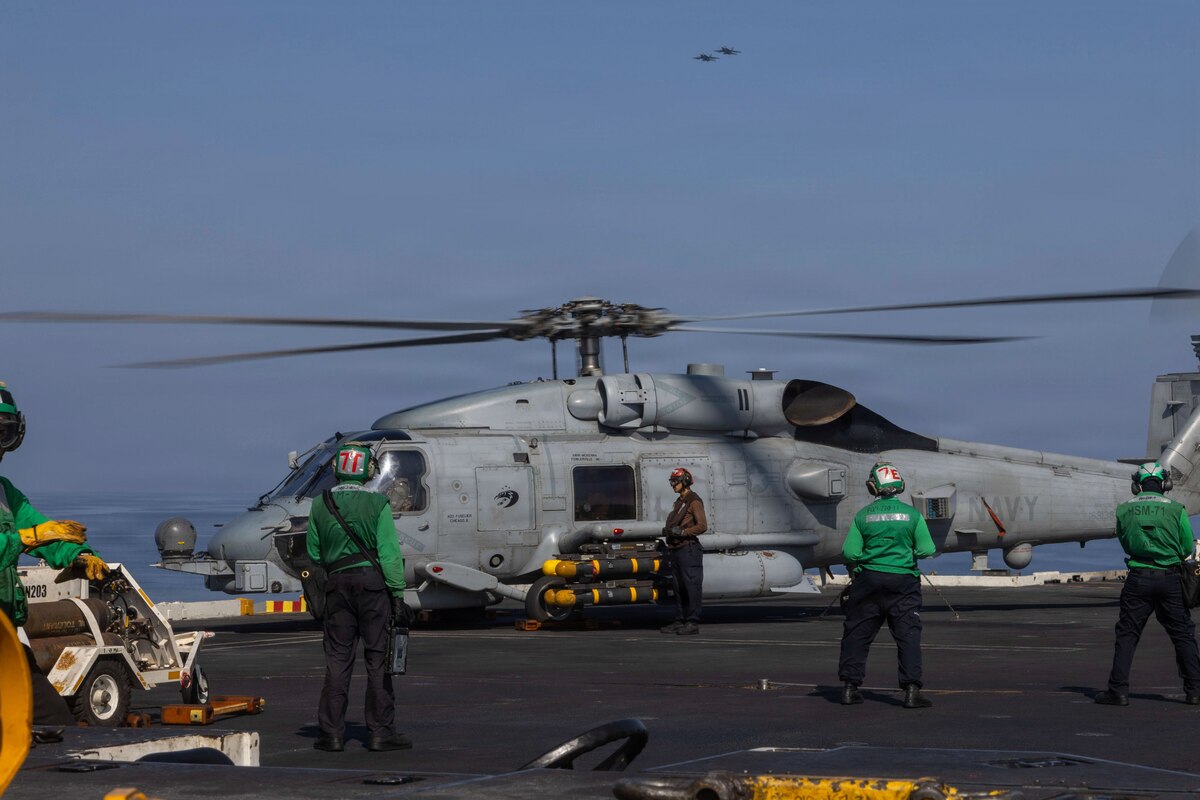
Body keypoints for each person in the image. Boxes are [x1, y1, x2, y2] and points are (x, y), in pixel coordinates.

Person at [0, 381, 109, 725]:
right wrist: (28, 538)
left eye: (3, 434)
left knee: (53, 724)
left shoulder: (5, 493)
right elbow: (31, 535)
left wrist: (80, 555)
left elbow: (48, 533)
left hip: (5, 638)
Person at [307, 441, 414, 752]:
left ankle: (332, 734)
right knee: (378, 660)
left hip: (336, 587)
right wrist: (397, 595)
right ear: (368, 470)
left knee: (338, 661)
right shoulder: (379, 504)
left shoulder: (319, 503)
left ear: (338, 469)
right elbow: (390, 556)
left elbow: (314, 553)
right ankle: (381, 732)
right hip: (372, 588)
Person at [1095, 461, 1200, 706]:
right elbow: (1186, 546)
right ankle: (1195, 691)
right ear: (1165, 484)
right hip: (1170, 578)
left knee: (1128, 634)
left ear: (1137, 485)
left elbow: (1124, 541)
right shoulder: (1176, 509)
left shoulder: (1124, 509)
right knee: (1183, 634)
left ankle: (1118, 691)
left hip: (1138, 578)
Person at [838, 462, 936, 708]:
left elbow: (849, 553)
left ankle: (850, 688)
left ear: (873, 486)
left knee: (857, 634)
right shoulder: (912, 515)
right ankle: (912, 690)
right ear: (899, 485)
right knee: (907, 635)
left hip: (868, 581)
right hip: (903, 581)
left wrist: (870, 558)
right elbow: (927, 549)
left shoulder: (863, 516)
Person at [660, 467, 707, 636]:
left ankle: (692, 622)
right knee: (679, 588)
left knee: (691, 586)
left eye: (676, 481)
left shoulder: (694, 501)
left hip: (689, 550)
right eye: (672, 481)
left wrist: (684, 532)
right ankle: (680, 620)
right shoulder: (679, 502)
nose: (673, 484)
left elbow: (702, 526)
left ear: (685, 482)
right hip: (677, 549)